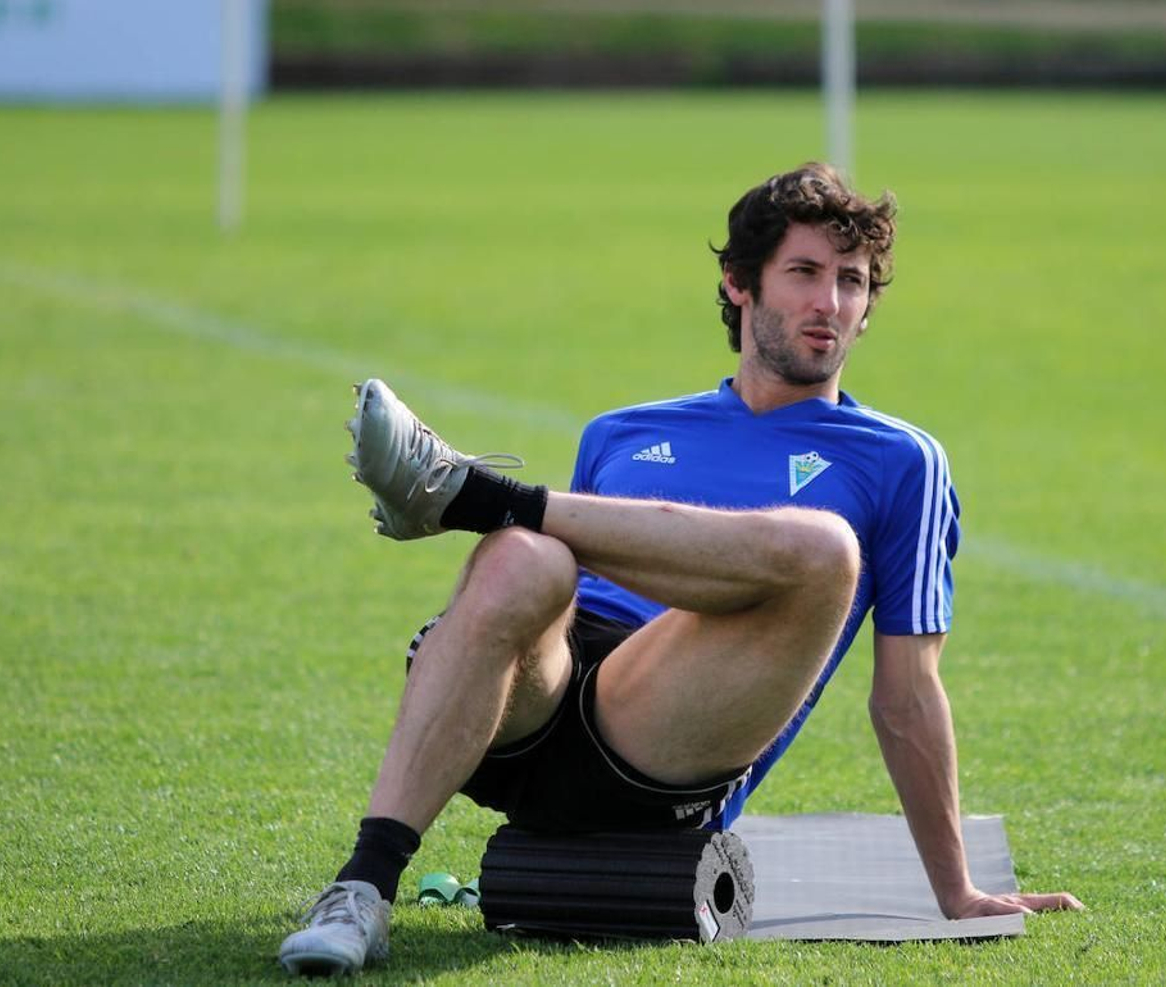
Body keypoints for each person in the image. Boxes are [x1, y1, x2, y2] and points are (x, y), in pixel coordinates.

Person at [278, 163, 1082, 976]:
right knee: (523, 553)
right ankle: (361, 890)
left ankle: (472, 495)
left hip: (665, 737)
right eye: (804, 273)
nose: (830, 303)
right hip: (526, 712)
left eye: (852, 281)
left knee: (825, 550)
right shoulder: (619, 432)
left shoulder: (901, 461)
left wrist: (957, 891)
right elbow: (556, 595)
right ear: (739, 283)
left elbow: (906, 693)